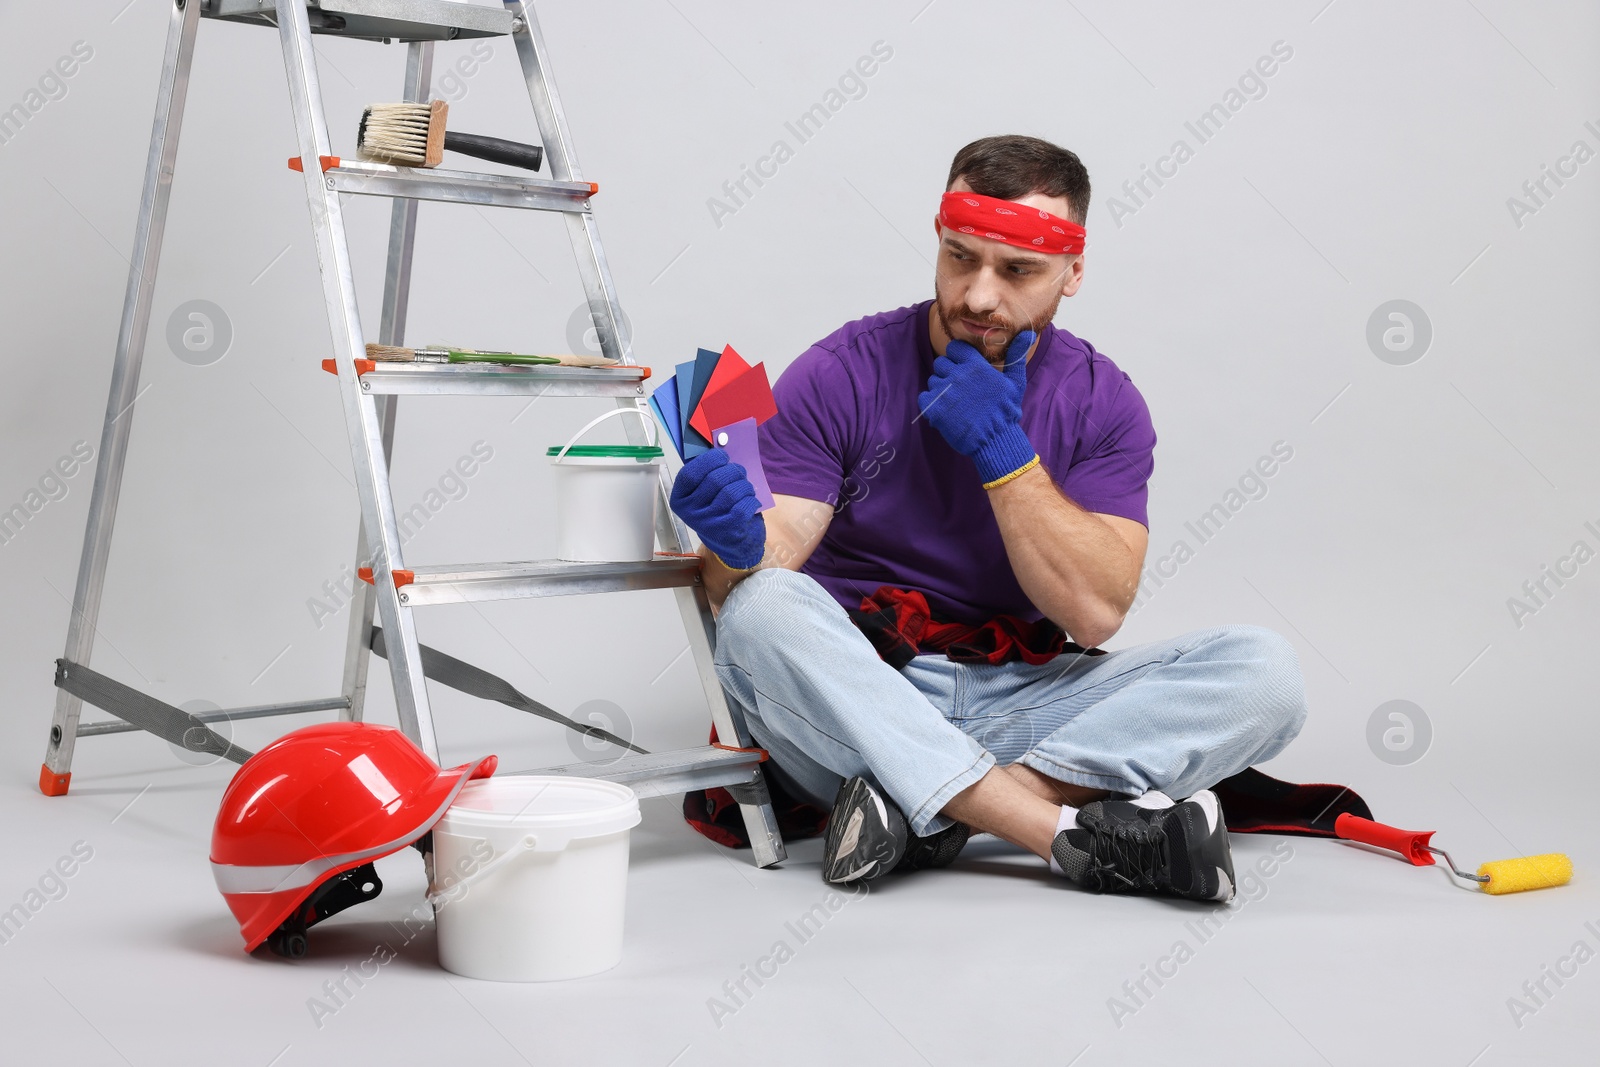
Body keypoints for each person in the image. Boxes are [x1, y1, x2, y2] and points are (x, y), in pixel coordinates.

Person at [668, 135, 1307, 903]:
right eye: (960, 256)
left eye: (1017, 270)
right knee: (760, 607)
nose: (977, 295)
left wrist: (1004, 455)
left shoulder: (1105, 402)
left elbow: (1095, 614)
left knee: (1264, 672)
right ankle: (1058, 834)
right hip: (860, 695)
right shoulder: (844, 370)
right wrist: (735, 546)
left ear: (1073, 273)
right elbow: (759, 574)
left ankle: (933, 809)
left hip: (1022, 699)